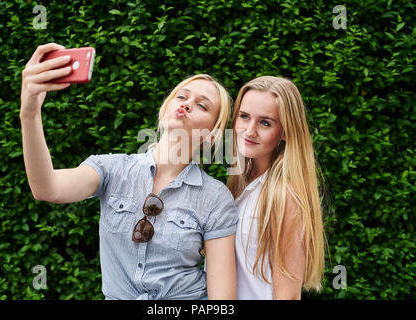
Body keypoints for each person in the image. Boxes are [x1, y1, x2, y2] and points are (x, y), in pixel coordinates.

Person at [20, 43, 238, 300]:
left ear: (212, 136)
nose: (187, 104)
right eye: (182, 96)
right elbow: (47, 188)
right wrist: (30, 112)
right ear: (166, 107)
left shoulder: (215, 197)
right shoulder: (112, 169)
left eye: (202, 106)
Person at [226, 76, 327, 299]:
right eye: (244, 117)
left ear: (284, 132)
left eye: (265, 123)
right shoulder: (241, 185)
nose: (249, 130)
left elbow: (288, 295)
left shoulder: (284, 196)